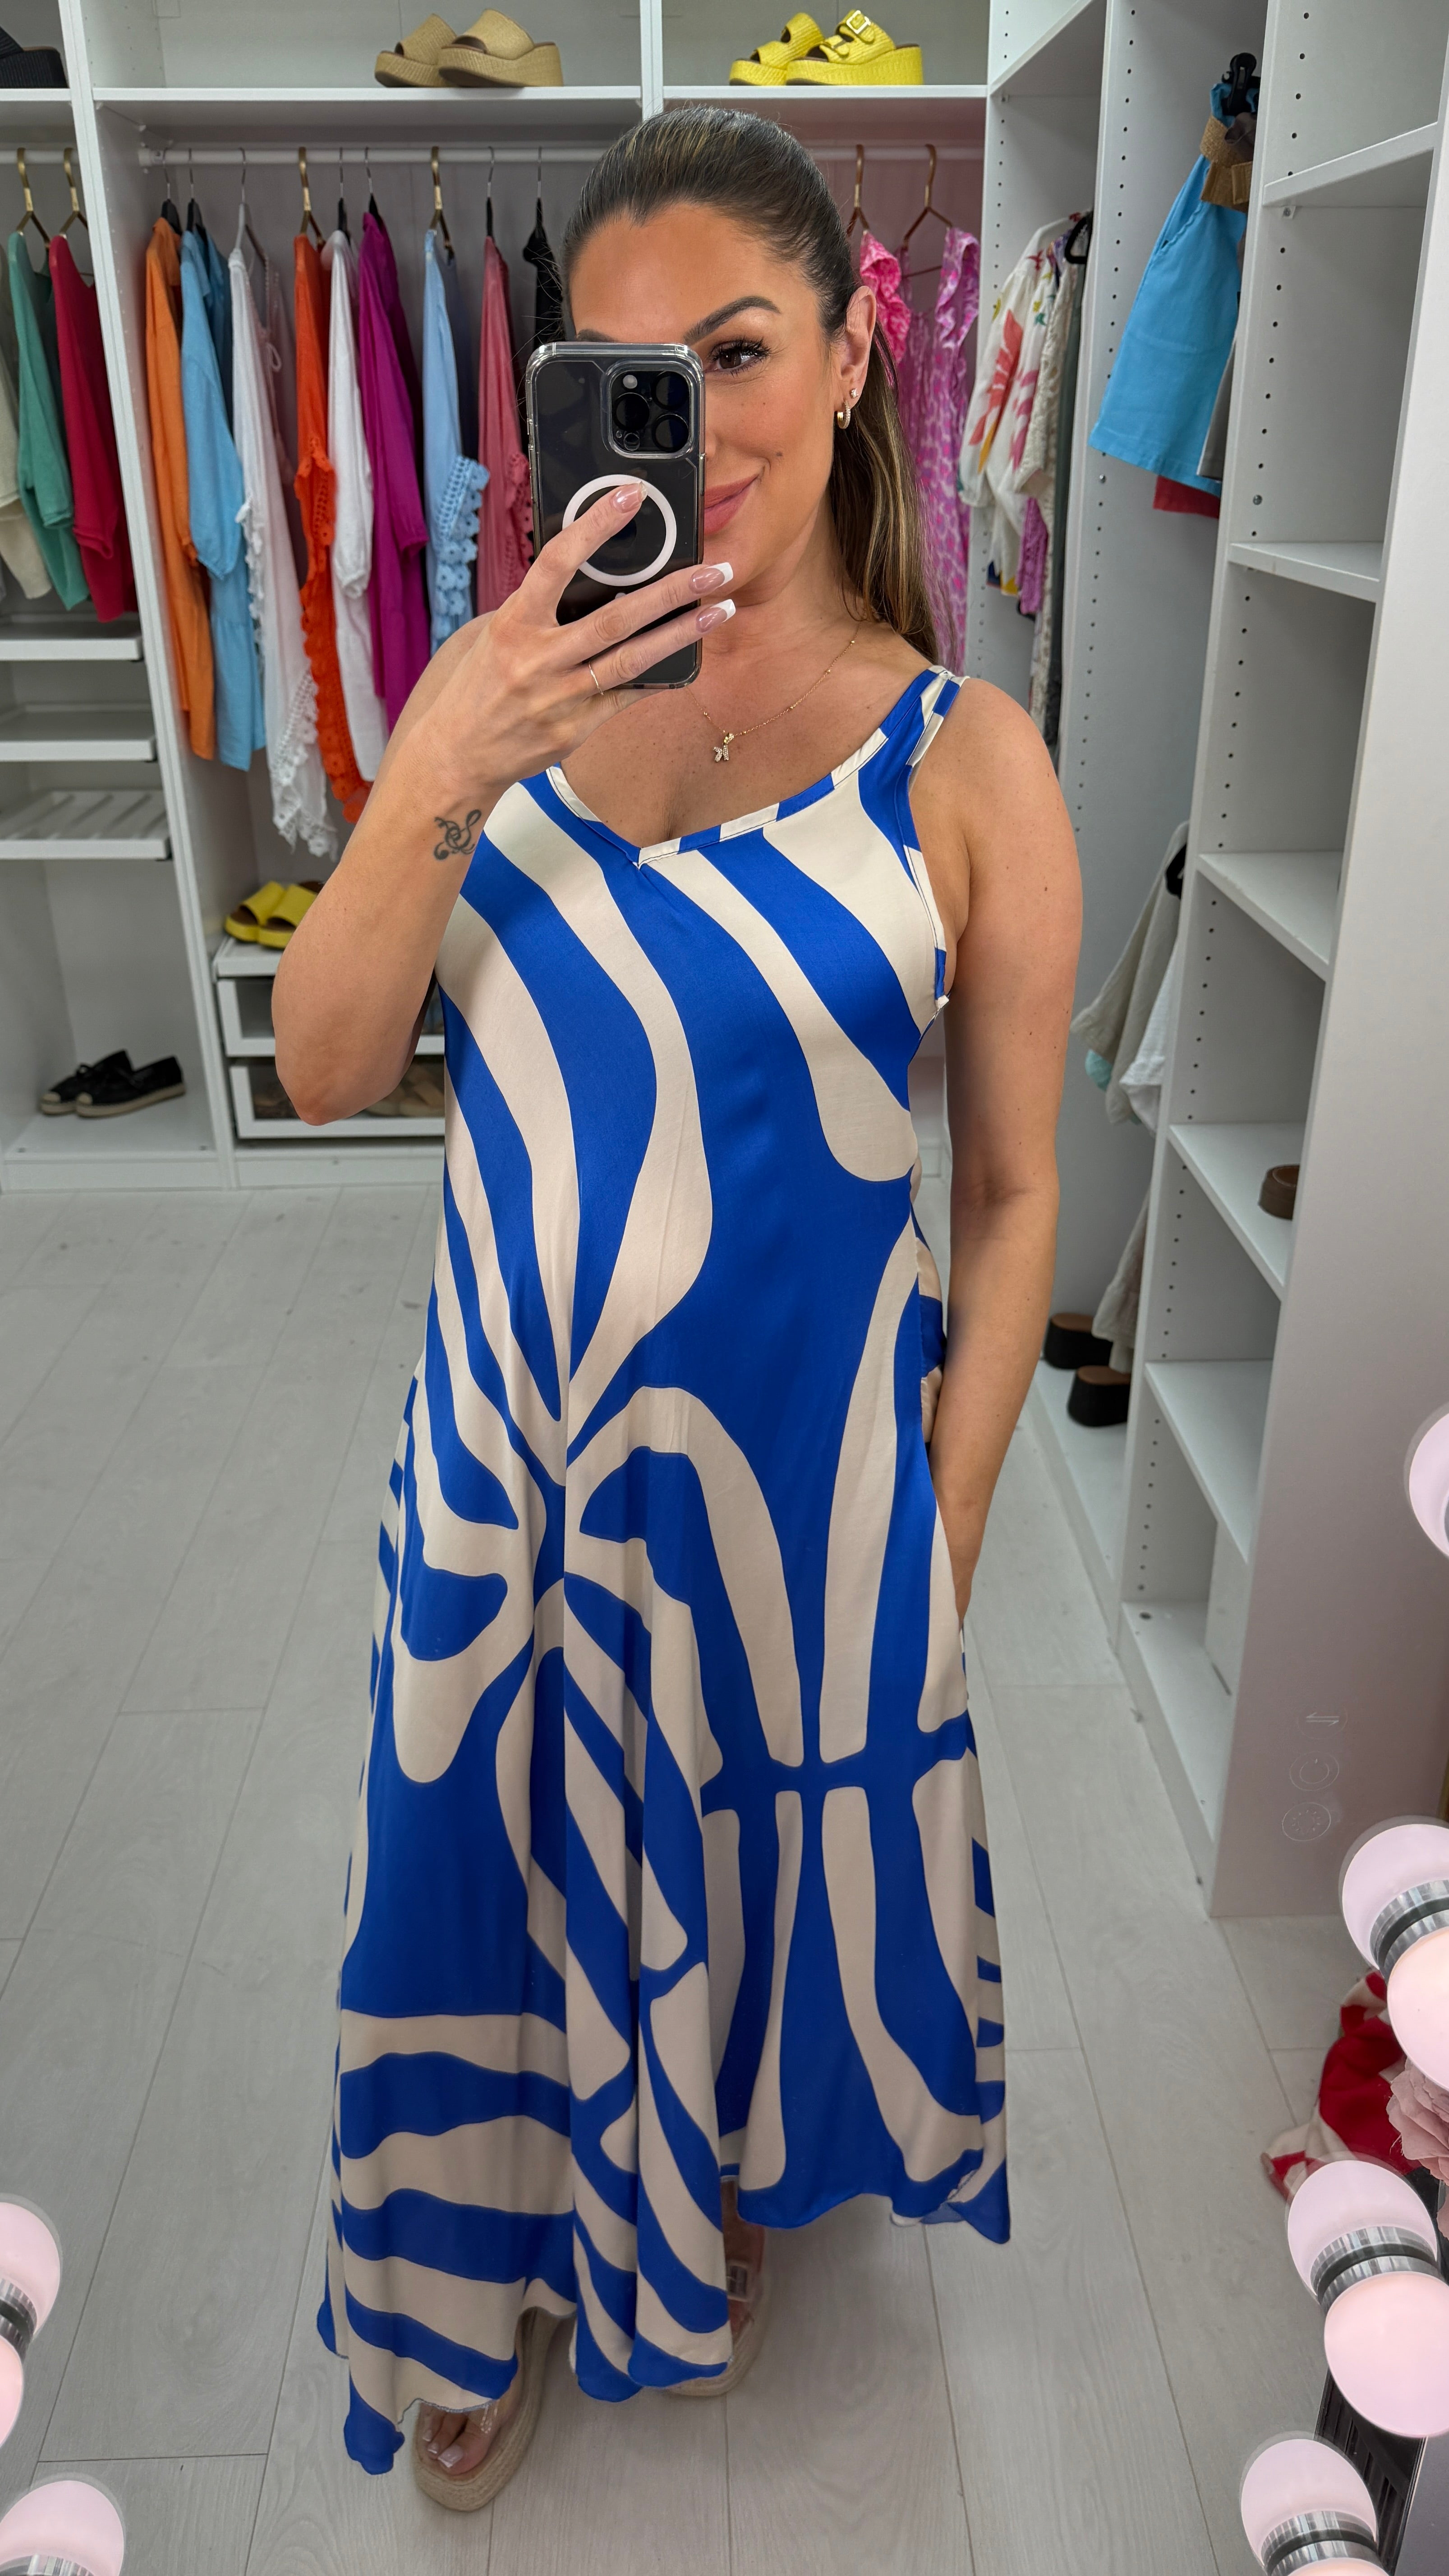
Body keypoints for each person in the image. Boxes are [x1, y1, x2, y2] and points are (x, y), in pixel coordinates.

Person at [274, 105, 1080, 2510]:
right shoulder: (490, 699)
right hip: (505, 1493)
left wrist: (938, 1541)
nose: (693, 419)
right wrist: (447, 752)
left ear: (851, 358)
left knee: (746, 1879)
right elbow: (325, 1063)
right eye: (622, 371)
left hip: (802, 1518)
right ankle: (465, 2272)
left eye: (737, 350)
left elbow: (1016, 1199)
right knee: (468, 1877)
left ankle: (695, 2179)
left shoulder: (969, 762)